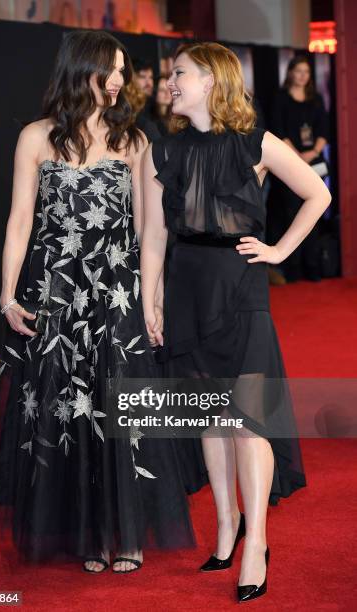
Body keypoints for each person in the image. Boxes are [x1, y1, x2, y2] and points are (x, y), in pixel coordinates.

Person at [0, 30, 205, 575]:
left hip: (116, 294)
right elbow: (19, 223)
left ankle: (126, 531)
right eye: (114, 69)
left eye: (125, 70)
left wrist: (154, 300)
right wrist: (7, 295)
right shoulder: (36, 137)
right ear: (84, 70)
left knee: (120, 409)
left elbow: (153, 230)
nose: (122, 80)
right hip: (55, 296)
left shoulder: (135, 141)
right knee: (65, 411)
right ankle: (87, 531)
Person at [140, 42, 331, 603]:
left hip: (241, 286)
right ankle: (226, 528)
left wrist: (278, 251)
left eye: (179, 73)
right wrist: (151, 298)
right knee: (208, 415)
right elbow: (152, 237)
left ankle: (256, 544)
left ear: (211, 81)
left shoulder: (257, 142)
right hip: (186, 289)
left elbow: (319, 193)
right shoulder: (163, 152)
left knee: (246, 419)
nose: (170, 83)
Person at [271, 55, 329, 282]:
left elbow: (324, 131)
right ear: (290, 73)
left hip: (314, 162)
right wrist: (296, 157)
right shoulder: (281, 98)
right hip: (289, 162)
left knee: (314, 213)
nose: (303, 75)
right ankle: (293, 269)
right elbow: (278, 130)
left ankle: (313, 266)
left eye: (306, 71)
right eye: (298, 71)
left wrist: (312, 153)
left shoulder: (315, 99)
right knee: (291, 213)